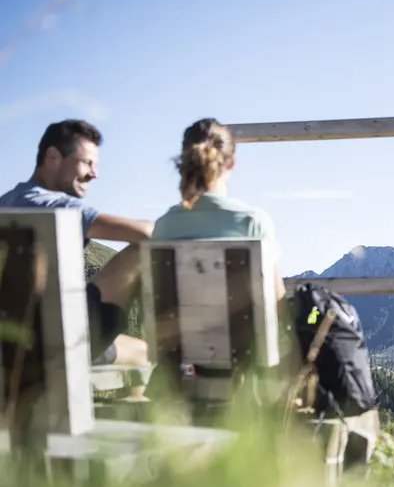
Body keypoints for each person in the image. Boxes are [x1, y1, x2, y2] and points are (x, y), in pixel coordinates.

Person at [0, 119, 152, 367]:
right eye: (87, 163)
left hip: (15, 345)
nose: (94, 173)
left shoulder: (7, 202)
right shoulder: (52, 204)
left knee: (142, 351)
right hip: (59, 344)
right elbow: (144, 233)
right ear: (53, 157)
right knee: (141, 251)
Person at [152, 117, 286, 300]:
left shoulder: (163, 225)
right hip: (243, 330)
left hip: (177, 329)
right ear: (231, 163)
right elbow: (276, 305)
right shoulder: (253, 223)